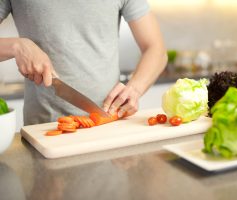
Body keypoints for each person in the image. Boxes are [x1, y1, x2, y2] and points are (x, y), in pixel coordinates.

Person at [0, 0, 167, 125]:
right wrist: (16, 46)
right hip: (45, 132)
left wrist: (134, 89)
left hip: (109, 126)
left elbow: (156, 49)